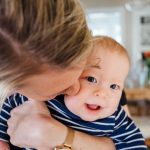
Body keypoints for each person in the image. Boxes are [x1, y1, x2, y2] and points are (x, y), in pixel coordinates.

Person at [0, 0, 116, 150]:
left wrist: (60, 136)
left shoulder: (102, 85)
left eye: (83, 73)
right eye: (56, 92)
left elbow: (126, 143)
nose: (77, 90)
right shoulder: (9, 101)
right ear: (9, 87)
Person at [0, 36, 147, 150]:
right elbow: (12, 101)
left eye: (114, 86)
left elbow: (134, 144)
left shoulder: (116, 118)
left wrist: (63, 136)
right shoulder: (50, 96)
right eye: (91, 79)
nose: (102, 93)